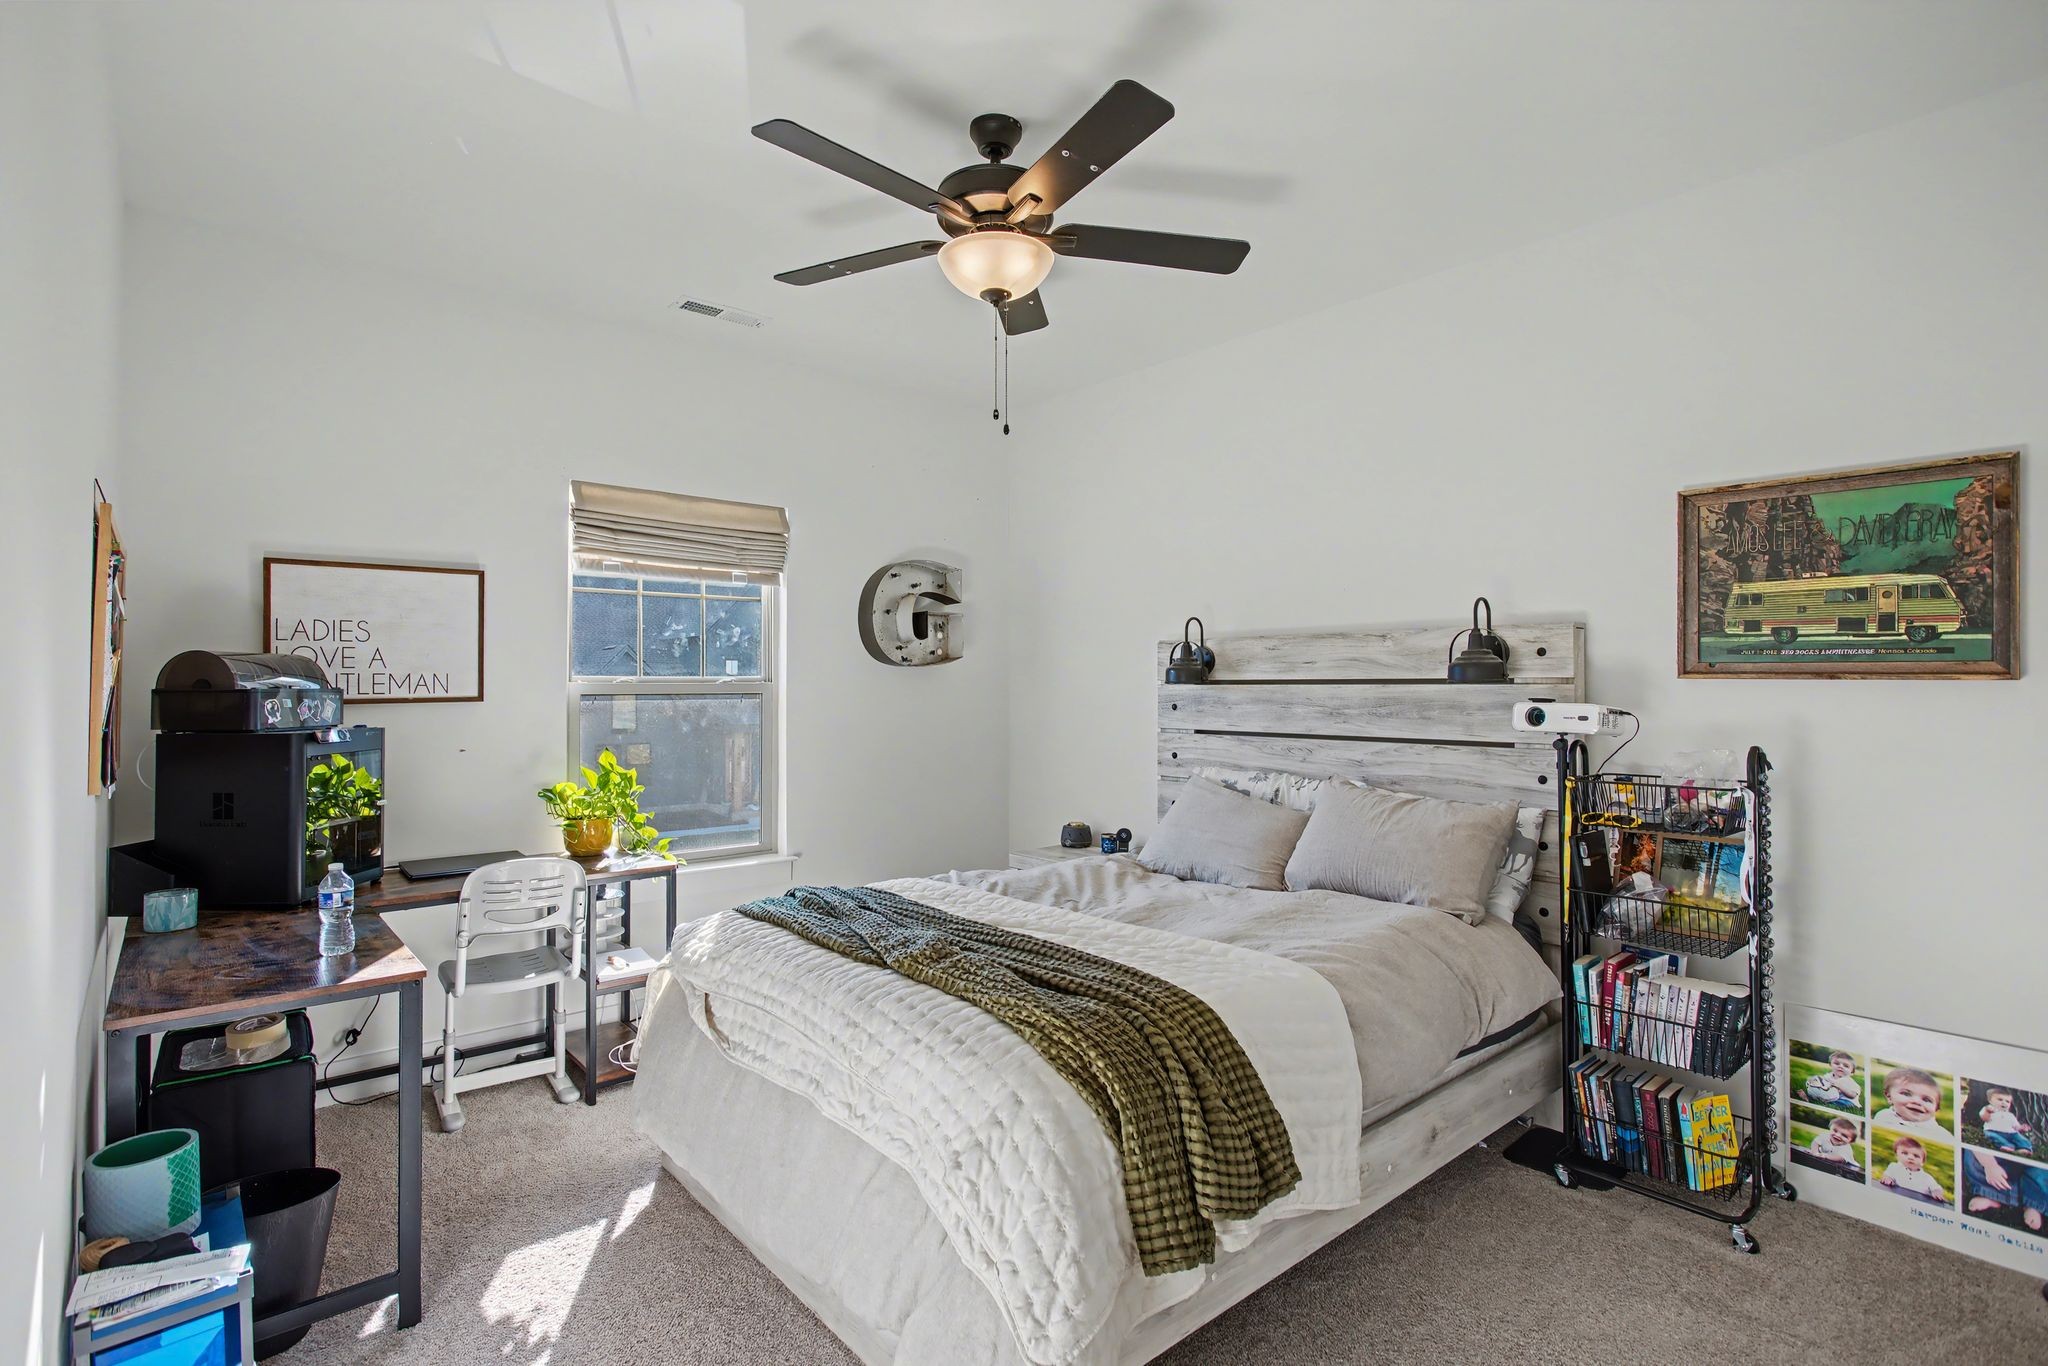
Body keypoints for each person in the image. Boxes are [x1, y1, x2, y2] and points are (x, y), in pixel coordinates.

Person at [1964, 1149, 2047, 1233]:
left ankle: (2033, 1204)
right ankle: (1990, 1194)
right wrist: (1990, 1165)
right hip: (1996, 1164)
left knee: (2040, 1174)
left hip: (2031, 1173)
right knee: (1972, 1157)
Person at [1872, 1066, 1951, 1139]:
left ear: (1936, 1109)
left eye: (1927, 1100)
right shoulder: (1883, 1116)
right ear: (1889, 1097)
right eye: (1906, 1094)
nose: (1917, 1102)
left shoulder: (1941, 1135)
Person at [1878, 1135, 1948, 1203]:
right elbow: (1886, 1176)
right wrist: (1887, 1179)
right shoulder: (1894, 1167)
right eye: (1905, 1153)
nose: (1910, 1157)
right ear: (1897, 1156)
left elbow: (1936, 1188)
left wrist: (1936, 1192)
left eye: (1916, 1156)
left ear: (1922, 1162)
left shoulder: (1926, 1178)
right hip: (1897, 1200)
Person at [1978, 1086, 2035, 1154]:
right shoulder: (1988, 1110)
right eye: (2000, 1099)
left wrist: (2021, 1128)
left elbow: (2016, 1126)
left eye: (2007, 1101)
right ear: (1990, 1100)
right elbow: (1984, 1117)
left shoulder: (2010, 1115)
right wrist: (1986, 1111)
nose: (2004, 1103)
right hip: (1993, 1131)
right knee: (1994, 1137)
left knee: (2021, 1139)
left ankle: (2025, 1148)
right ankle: (2007, 1147)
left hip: (2011, 1133)